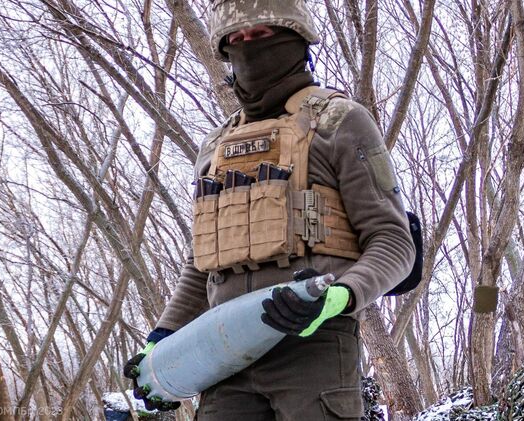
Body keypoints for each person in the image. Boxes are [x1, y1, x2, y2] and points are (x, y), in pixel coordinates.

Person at [125, 1, 416, 419]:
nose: (249, 46)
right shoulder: (214, 147)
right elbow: (202, 264)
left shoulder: (340, 121)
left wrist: (339, 297)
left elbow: (393, 241)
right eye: (236, 39)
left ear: (295, 39)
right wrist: (163, 337)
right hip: (223, 354)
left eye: (261, 34)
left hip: (312, 344)